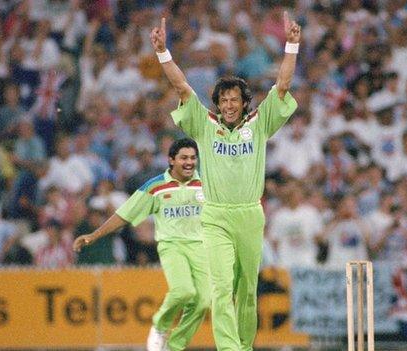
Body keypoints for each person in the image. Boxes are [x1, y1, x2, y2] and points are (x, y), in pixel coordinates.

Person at [149, 12, 300, 351]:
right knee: (220, 288)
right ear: (216, 104)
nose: (229, 105)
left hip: (249, 214)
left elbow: (284, 85)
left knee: (246, 290)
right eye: (224, 100)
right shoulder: (204, 125)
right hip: (215, 215)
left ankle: (244, 346)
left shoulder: (259, 123)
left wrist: (292, 44)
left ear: (245, 104)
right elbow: (181, 87)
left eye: (235, 100)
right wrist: (163, 52)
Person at [73, 138, 209, 351]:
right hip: (172, 246)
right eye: (184, 158)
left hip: (201, 246)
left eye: (193, 158)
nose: (189, 162)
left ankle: (175, 345)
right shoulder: (156, 187)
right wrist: (95, 235)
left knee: (203, 301)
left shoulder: (206, 183)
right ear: (171, 160)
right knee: (183, 291)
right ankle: (160, 326)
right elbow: (125, 214)